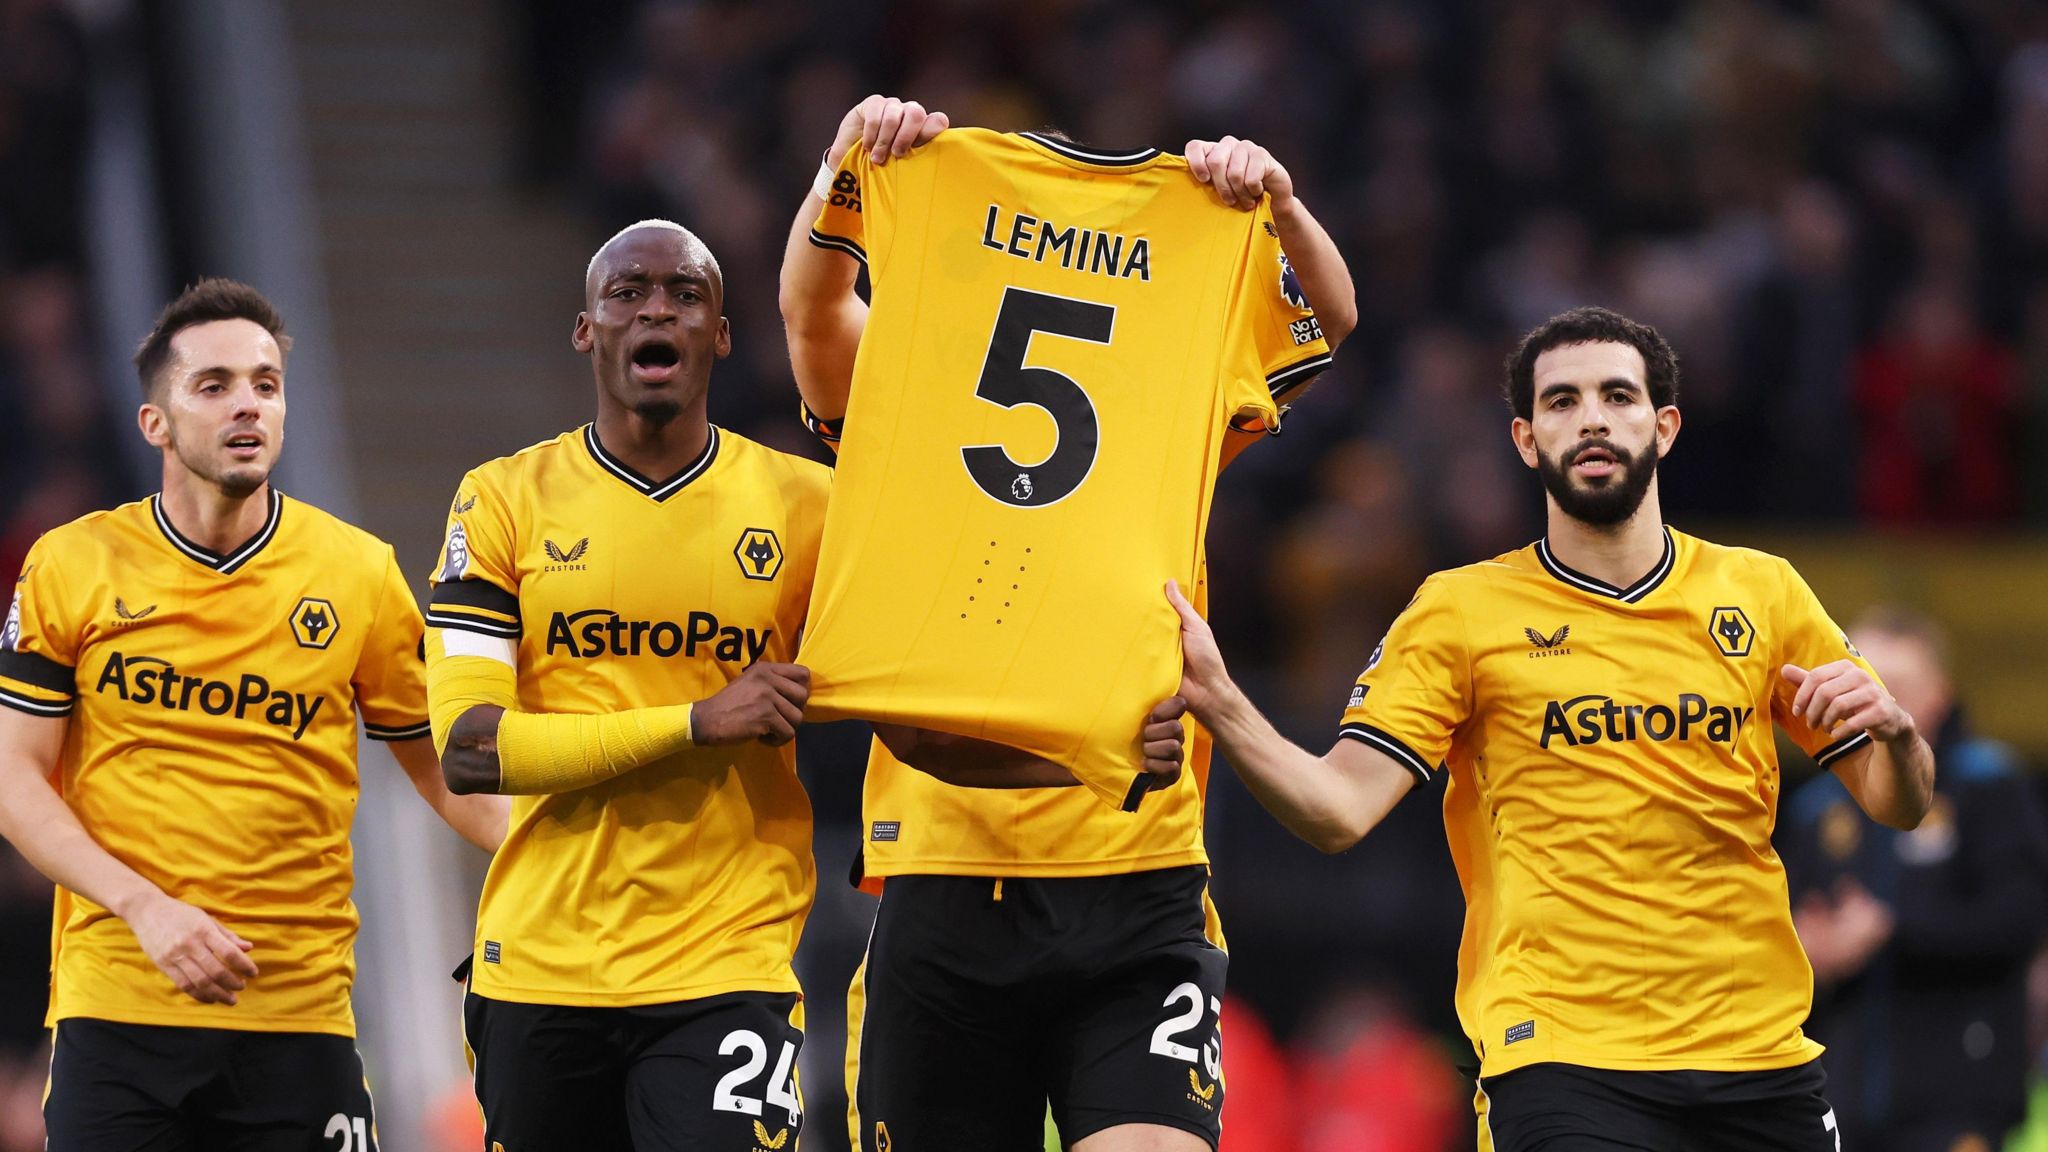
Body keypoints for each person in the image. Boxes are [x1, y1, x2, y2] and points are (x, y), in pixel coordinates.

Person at [1159, 305, 1937, 1152]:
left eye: (1617, 396)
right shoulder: (1461, 612)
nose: (1592, 417)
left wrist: (1897, 739)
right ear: (1528, 441)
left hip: (1759, 1053)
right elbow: (1339, 809)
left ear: (1664, 426)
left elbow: (1898, 805)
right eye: (1562, 402)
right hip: (1564, 1059)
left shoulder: (1764, 591)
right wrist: (1225, 702)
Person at [778, 96, 1355, 1152]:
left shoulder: (1156, 384)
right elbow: (811, 318)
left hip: (1131, 878)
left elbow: (1331, 310)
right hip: (944, 875)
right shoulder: (900, 389)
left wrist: (1274, 199)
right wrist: (847, 164)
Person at [0, 278, 507, 1152]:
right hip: (119, 1011)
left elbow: (445, 770)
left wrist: (561, 864)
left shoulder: (357, 573)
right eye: (215, 385)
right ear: (154, 423)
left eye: (266, 385)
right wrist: (145, 908)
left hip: (298, 1021)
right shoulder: (72, 565)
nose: (248, 405)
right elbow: (13, 778)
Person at [424, 220, 831, 1152]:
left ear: (721, 335)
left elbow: (910, 677)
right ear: (586, 329)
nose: (657, 307)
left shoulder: (809, 508)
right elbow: (473, 749)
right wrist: (694, 721)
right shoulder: (501, 499)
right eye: (627, 292)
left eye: (686, 294)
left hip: (727, 956)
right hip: (540, 968)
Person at [1785, 606, 2048, 1152]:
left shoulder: (1987, 785)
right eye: (1860, 678)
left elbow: (2021, 920)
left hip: (1959, 1096)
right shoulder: (1814, 807)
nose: (1873, 700)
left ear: (1939, 695)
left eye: (1896, 685)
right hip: (1836, 1095)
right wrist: (1805, 950)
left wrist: (1892, 930)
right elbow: (1790, 924)